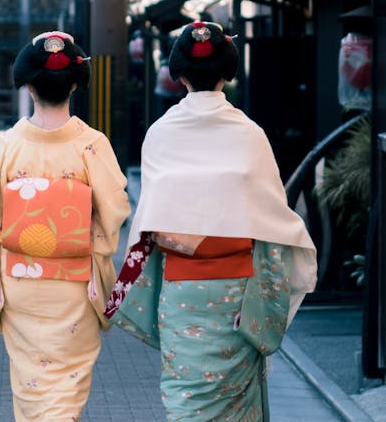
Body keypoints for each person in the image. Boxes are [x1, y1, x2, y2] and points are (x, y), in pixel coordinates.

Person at [105, 21, 318, 421]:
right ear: (227, 71)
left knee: (185, 401)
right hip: (237, 296)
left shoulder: (160, 134)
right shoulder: (249, 134)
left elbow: (149, 221)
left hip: (180, 293)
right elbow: (275, 219)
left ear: (179, 73)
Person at [0, 32, 132, 421]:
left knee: (30, 384)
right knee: (67, 388)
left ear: (27, 85)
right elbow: (114, 211)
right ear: (75, 85)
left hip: (20, 280)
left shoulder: (8, 145)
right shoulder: (91, 144)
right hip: (74, 284)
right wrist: (88, 247)